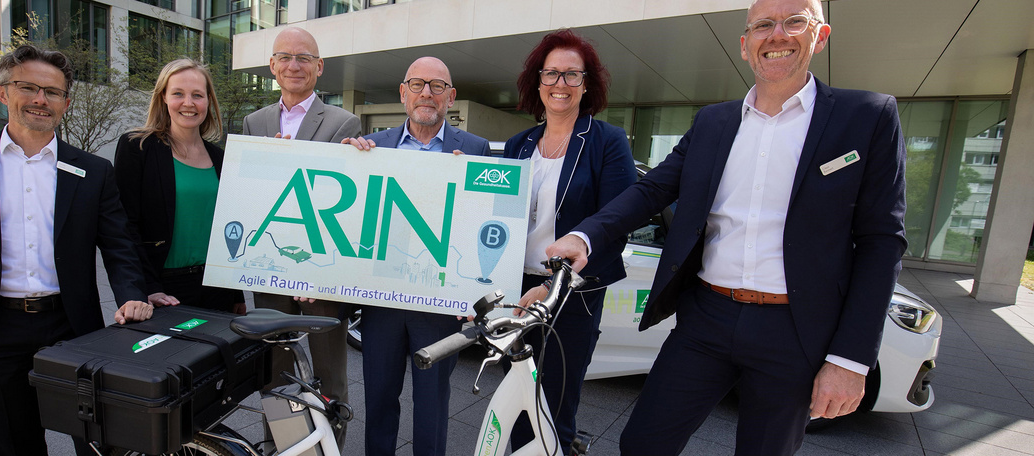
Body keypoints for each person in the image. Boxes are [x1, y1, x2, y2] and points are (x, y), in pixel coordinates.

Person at [545, 0, 907, 453]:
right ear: (744, 44)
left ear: (821, 35)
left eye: (794, 21)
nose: (776, 35)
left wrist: (851, 359)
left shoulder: (867, 116)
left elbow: (881, 242)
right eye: (762, 25)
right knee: (642, 443)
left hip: (795, 330)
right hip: (707, 319)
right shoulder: (714, 121)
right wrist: (586, 235)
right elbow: (653, 189)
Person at [0, 44, 154, 456]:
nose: (41, 99)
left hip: (72, 326)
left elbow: (119, 244)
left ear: (65, 102)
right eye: (28, 87)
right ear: (2, 92)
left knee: (99, 441)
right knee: (14, 443)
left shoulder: (93, 171)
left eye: (53, 92)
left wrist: (132, 295)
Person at [341, 56, 490, 456]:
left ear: (451, 97)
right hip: (382, 300)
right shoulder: (371, 148)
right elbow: (350, 216)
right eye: (418, 84)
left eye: (438, 86)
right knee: (379, 399)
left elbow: (486, 222)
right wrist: (344, 162)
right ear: (403, 93)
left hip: (439, 304)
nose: (428, 93)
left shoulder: (476, 150)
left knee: (432, 405)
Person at [503, 29, 638, 452]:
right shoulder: (518, 144)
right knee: (517, 400)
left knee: (555, 407)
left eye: (571, 75)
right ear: (537, 81)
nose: (560, 84)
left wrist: (553, 285)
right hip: (519, 291)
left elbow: (617, 225)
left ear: (587, 84)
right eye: (551, 74)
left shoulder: (607, 143)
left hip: (570, 294)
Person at [241, 26, 361, 446]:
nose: (294, 65)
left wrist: (316, 270)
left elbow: (344, 204)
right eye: (285, 57)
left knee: (329, 375)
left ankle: (331, 449)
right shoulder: (254, 122)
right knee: (275, 369)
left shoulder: (344, 121)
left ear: (319, 67)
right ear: (272, 66)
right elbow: (250, 197)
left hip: (322, 275)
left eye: (304, 57)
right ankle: (281, 446)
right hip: (271, 268)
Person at [114, 59, 244, 314]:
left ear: (208, 101)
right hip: (162, 289)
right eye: (178, 94)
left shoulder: (221, 158)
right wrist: (145, 286)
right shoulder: (137, 148)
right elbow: (125, 227)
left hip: (217, 287)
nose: (188, 103)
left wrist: (235, 291)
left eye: (197, 95)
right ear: (163, 97)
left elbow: (229, 228)